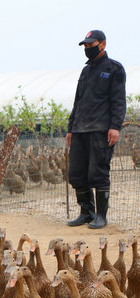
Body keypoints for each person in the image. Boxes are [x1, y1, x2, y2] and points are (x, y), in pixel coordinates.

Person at [66, 29, 126, 229]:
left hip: (100, 130)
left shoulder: (114, 69)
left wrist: (115, 127)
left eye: (91, 45)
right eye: (86, 46)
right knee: (76, 173)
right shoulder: (85, 71)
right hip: (80, 130)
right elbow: (78, 102)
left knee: (98, 173)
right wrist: (70, 129)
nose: (88, 49)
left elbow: (118, 101)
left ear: (103, 44)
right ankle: (86, 212)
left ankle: (101, 216)